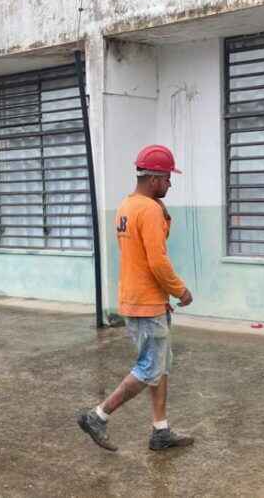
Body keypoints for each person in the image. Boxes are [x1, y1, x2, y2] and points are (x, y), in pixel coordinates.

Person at [77, 145, 194, 451]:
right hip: (145, 302)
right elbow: (157, 261)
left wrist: (160, 295)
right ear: (154, 179)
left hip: (140, 297)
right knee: (149, 369)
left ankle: (160, 430)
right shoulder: (150, 210)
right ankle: (98, 415)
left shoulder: (127, 206)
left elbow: (140, 257)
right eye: (167, 178)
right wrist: (180, 290)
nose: (170, 184)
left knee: (161, 365)